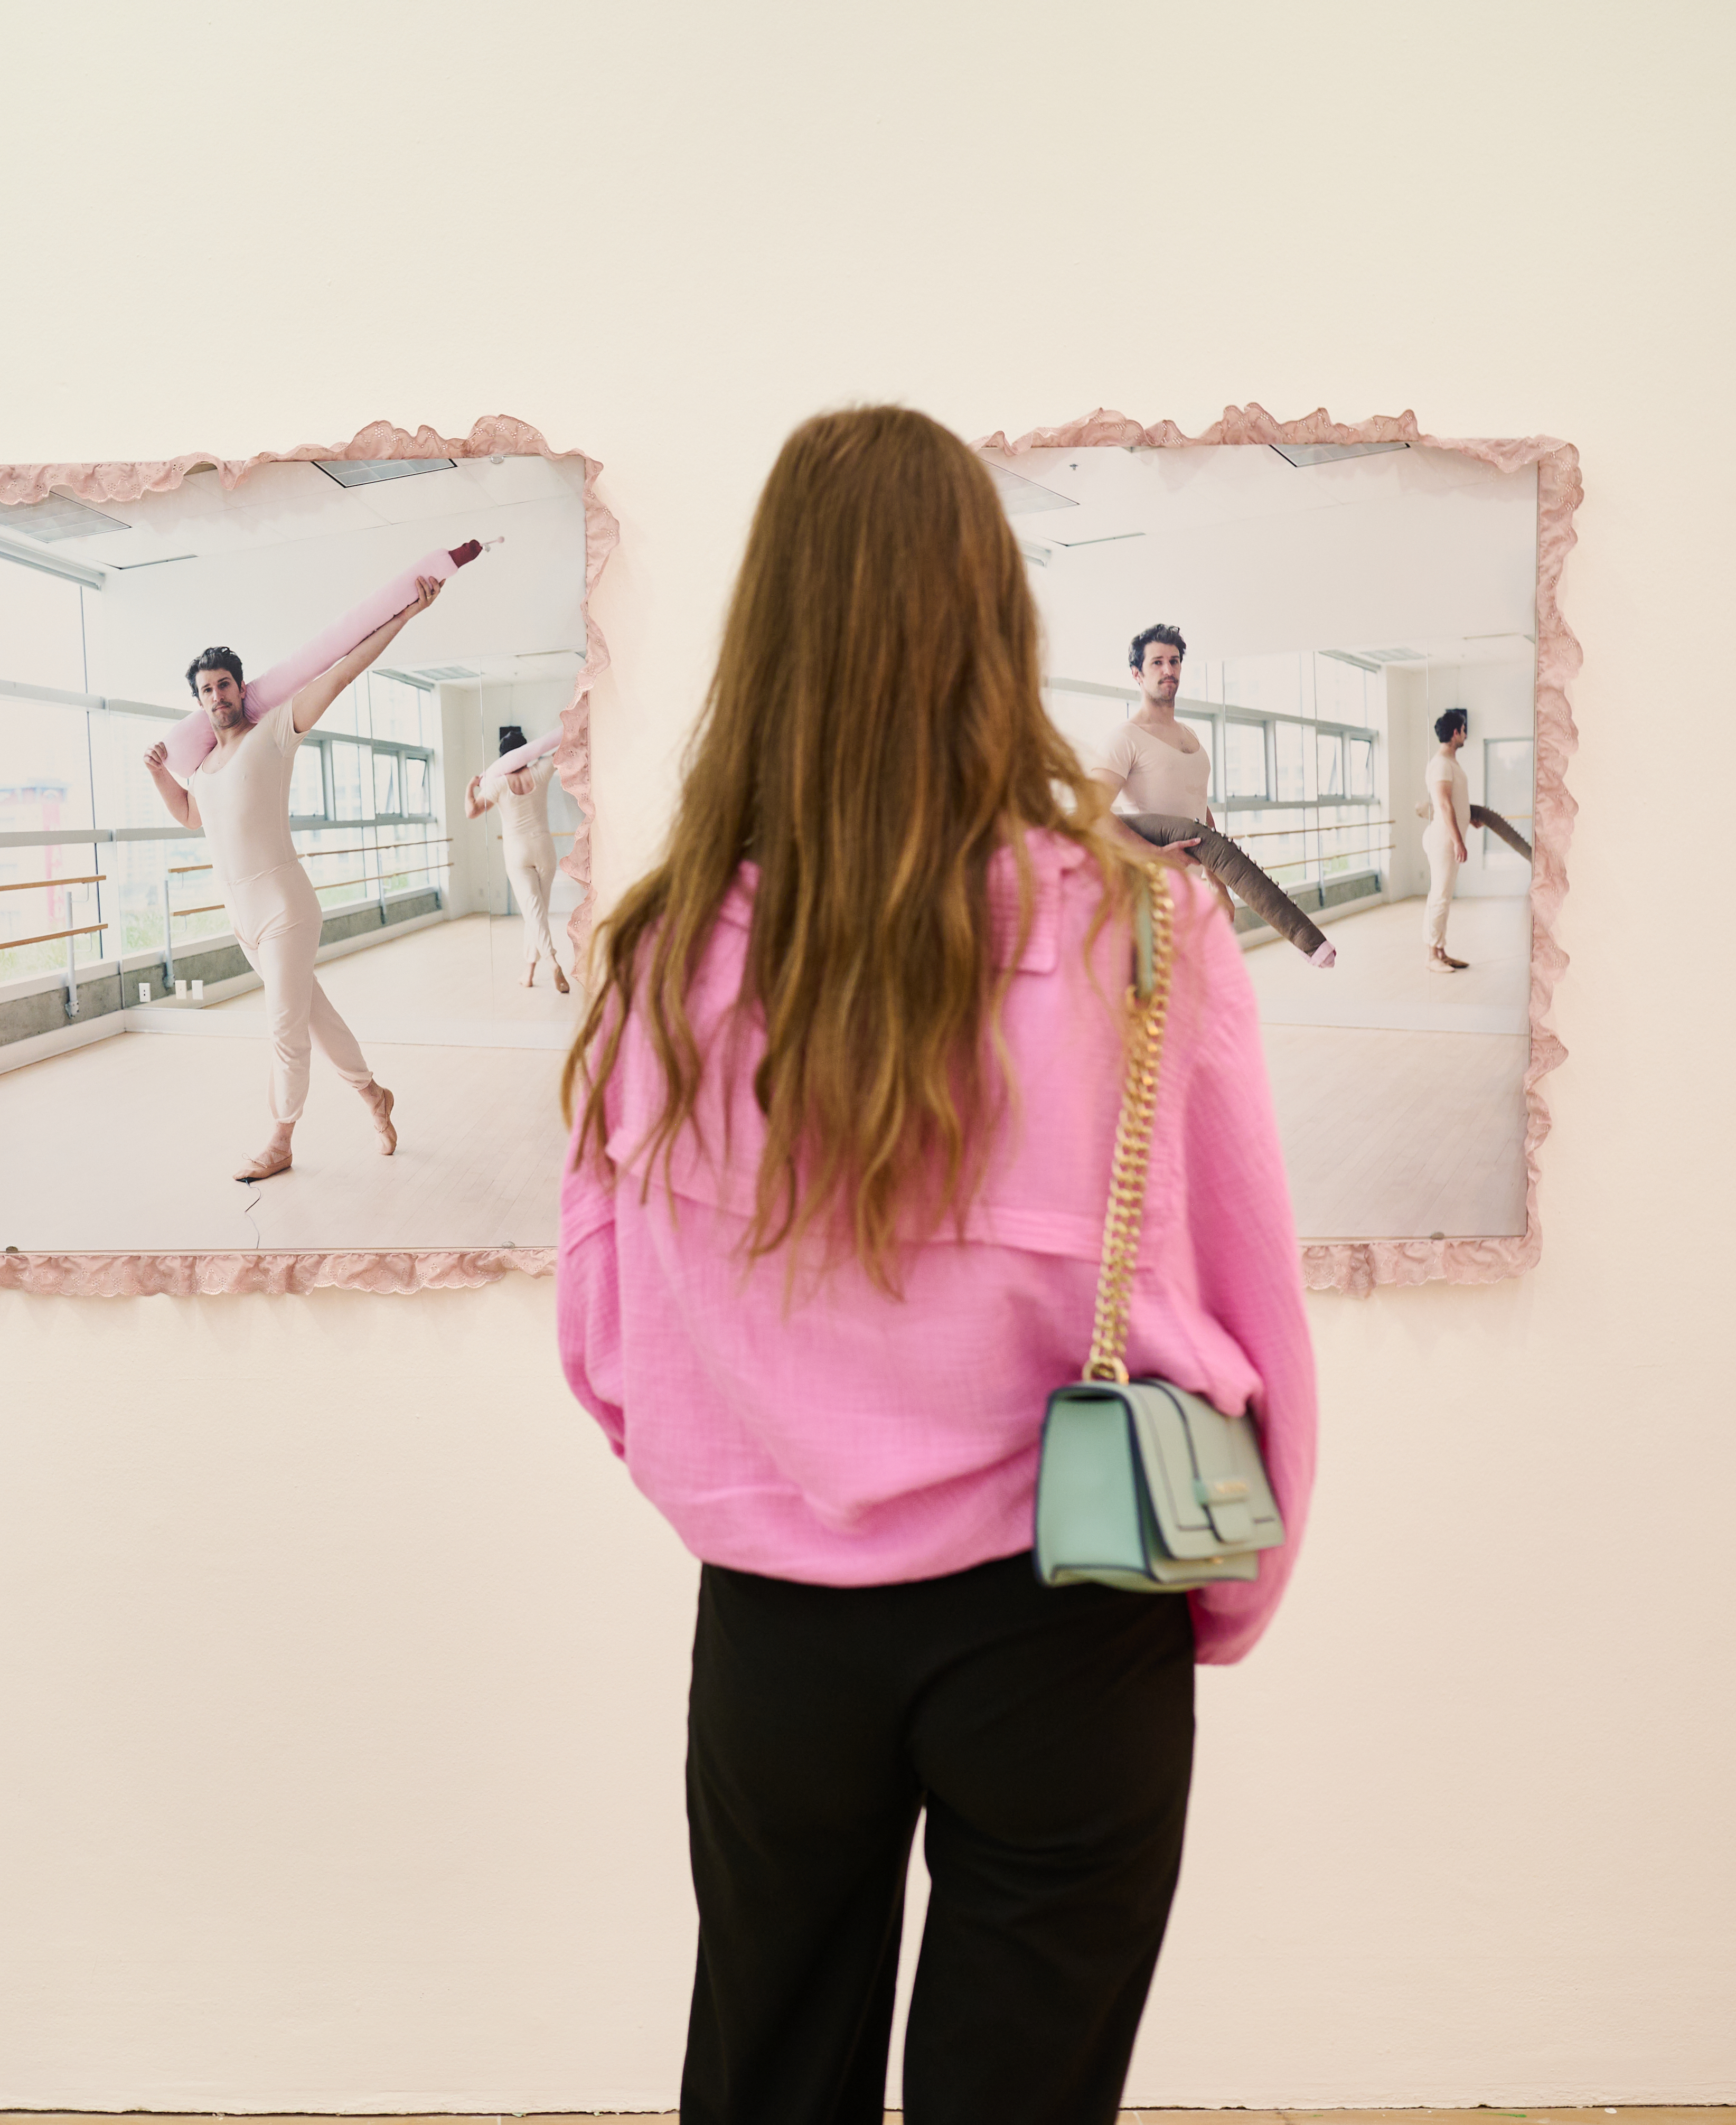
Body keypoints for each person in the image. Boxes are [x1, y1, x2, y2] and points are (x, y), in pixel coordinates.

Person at [558, 407, 1317, 2125]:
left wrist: (766, 1479)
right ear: (992, 623)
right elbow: (1245, 1302)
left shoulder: (659, 960)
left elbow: (601, 1343)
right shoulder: (1137, 927)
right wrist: (1224, 1591)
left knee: (765, 2072)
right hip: (1072, 1600)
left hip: (771, 1630)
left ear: (766, 638)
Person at [140, 575, 444, 1182]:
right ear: (198, 702)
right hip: (243, 919)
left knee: (282, 1027)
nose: (216, 695)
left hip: (285, 907)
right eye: (205, 690)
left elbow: (341, 670)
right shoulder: (201, 767)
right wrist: (159, 774)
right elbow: (194, 817)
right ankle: (374, 1096)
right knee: (315, 1019)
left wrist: (406, 615)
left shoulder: (276, 731)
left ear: (240, 687)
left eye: (224, 684)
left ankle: (280, 1139)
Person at [1080, 624, 1339, 967]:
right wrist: (1154, 853)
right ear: (1137, 674)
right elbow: (1091, 813)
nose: (1168, 670)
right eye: (1157, 662)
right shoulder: (1124, 739)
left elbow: (1199, 814)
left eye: (1174, 661)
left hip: (1192, 895)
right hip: (1148, 890)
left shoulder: (1189, 736)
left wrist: (1218, 884)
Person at [466, 725, 569, 993]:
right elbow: (564, 751)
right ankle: (529, 971)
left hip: (517, 853)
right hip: (545, 848)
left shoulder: (497, 783)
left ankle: (554, 963)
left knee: (534, 913)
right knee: (536, 913)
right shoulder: (541, 770)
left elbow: (472, 812)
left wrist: (470, 787)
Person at [1422, 706, 1475, 971]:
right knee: (1440, 896)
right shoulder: (1442, 763)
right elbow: (1444, 805)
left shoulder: (1450, 762)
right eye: (1464, 730)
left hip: (1449, 837)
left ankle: (1441, 951)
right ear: (1455, 733)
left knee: (1443, 895)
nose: (1466, 734)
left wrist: (1470, 818)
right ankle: (1432, 956)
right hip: (1443, 839)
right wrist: (1458, 841)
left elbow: (1456, 801)